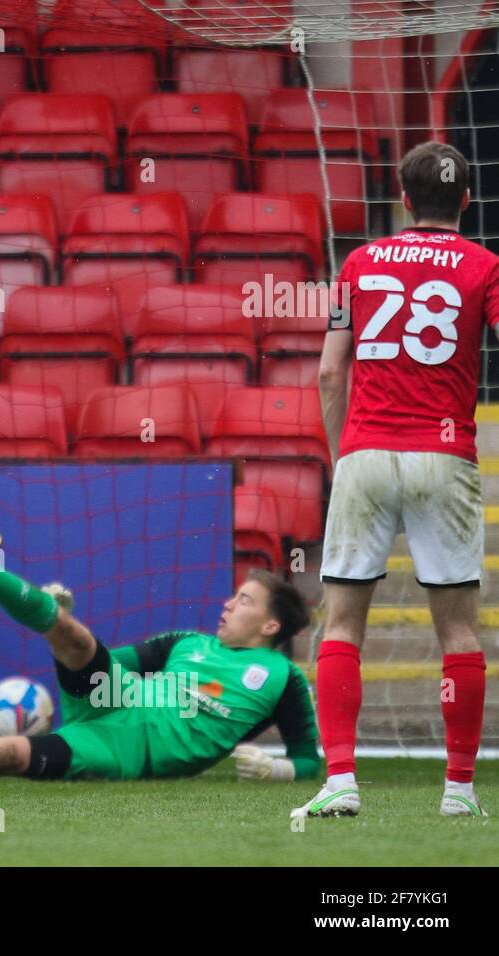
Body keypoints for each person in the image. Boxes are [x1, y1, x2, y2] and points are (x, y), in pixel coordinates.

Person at [302, 141, 494, 818]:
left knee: (343, 623)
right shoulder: (485, 265)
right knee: (459, 633)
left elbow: (329, 372)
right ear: (467, 201)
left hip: (366, 451)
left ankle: (342, 781)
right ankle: (460, 791)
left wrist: (342, 455)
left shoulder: (359, 262)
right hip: (445, 454)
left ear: (403, 199)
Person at [0, 530, 321, 786]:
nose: (228, 605)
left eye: (244, 603)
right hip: (115, 698)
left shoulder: (284, 680)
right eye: (234, 597)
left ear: (271, 626)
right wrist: (66, 631)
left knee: (8, 756)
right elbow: (109, 660)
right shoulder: (186, 643)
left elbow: (310, 760)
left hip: (123, 752)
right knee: (77, 641)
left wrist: (279, 771)